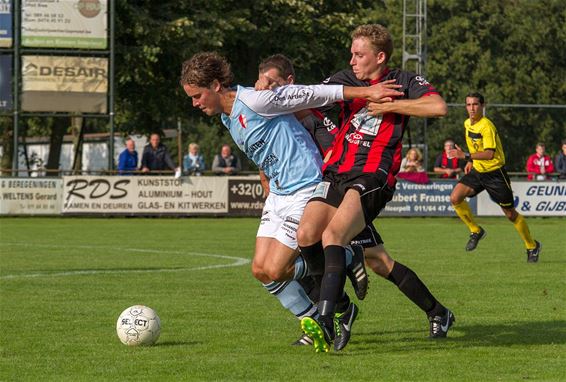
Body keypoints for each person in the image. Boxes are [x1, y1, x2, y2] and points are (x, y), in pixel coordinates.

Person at [179, 51, 398, 351]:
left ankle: (347, 258)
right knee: (260, 270)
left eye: (197, 95)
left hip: (306, 187)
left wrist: (367, 91)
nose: (195, 103)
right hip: (280, 194)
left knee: (279, 268)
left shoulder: (256, 100)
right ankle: (318, 320)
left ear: (216, 85)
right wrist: (266, 177)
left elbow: (311, 93)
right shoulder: (227, 117)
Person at [295, 24, 453, 352]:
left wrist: (391, 105)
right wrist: (272, 91)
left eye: (359, 55)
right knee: (308, 236)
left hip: (373, 177)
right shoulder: (345, 80)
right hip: (337, 172)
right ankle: (347, 305)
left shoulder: (405, 81)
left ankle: (327, 318)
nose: (352, 60)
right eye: (351, 54)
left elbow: (437, 107)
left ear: (379, 57)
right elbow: (308, 98)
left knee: (334, 237)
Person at [448, 92, 541, 262]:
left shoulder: (487, 126)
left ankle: (532, 246)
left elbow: (490, 154)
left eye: (475, 104)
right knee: (455, 198)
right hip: (478, 171)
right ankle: (475, 230)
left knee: (510, 214)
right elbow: (475, 147)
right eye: (468, 105)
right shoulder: (467, 123)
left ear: (483, 106)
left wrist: (466, 156)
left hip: (495, 174)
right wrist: (471, 162)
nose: (471, 108)